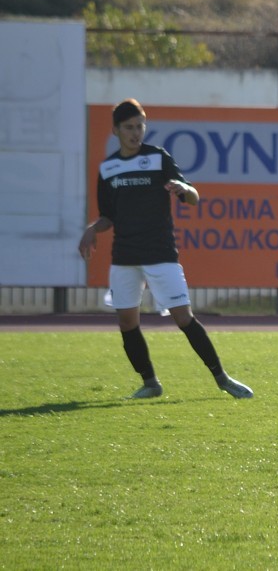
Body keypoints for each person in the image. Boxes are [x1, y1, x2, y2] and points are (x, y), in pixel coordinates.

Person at [78, 99, 253, 399]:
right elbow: (109, 216)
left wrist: (185, 189)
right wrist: (93, 228)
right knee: (127, 321)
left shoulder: (158, 158)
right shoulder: (108, 169)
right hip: (125, 256)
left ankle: (222, 378)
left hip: (160, 253)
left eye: (140, 126)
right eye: (129, 127)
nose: (136, 132)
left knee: (183, 317)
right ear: (116, 130)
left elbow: (193, 197)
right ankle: (150, 383)